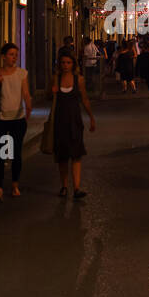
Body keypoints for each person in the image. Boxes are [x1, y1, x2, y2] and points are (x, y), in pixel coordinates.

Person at [0, 42, 33, 202]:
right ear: (3, 57)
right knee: (0, 154)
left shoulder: (22, 73)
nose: (14, 58)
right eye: (11, 54)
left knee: (15, 154)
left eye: (16, 55)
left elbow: (25, 93)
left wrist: (29, 107)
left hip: (17, 121)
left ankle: (14, 185)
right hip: (0, 121)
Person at [51, 51, 95, 199]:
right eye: (63, 63)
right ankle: (64, 186)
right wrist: (52, 92)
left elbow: (85, 99)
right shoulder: (55, 79)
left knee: (76, 155)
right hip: (60, 121)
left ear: (73, 64)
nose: (65, 66)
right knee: (62, 156)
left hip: (75, 121)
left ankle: (76, 187)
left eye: (68, 63)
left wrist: (91, 117)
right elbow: (48, 96)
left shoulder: (79, 80)